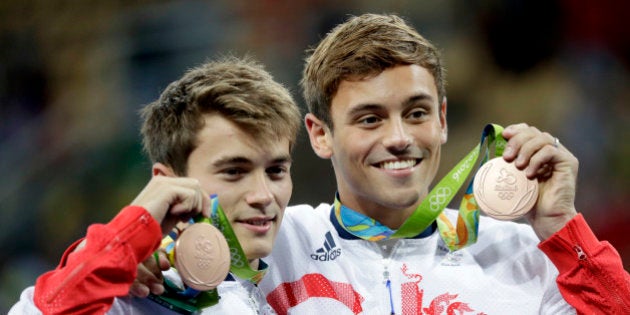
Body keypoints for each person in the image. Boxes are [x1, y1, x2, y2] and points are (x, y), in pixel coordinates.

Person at [258, 13, 630, 314]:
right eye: (370, 119)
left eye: (417, 113)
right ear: (321, 134)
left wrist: (564, 229)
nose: (400, 138)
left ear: (442, 120)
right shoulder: (274, 245)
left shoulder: (522, 254)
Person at [9, 56, 302, 314]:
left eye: (276, 170)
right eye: (234, 172)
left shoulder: (310, 252)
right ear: (169, 182)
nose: (264, 195)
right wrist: (121, 244)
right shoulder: (131, 299)